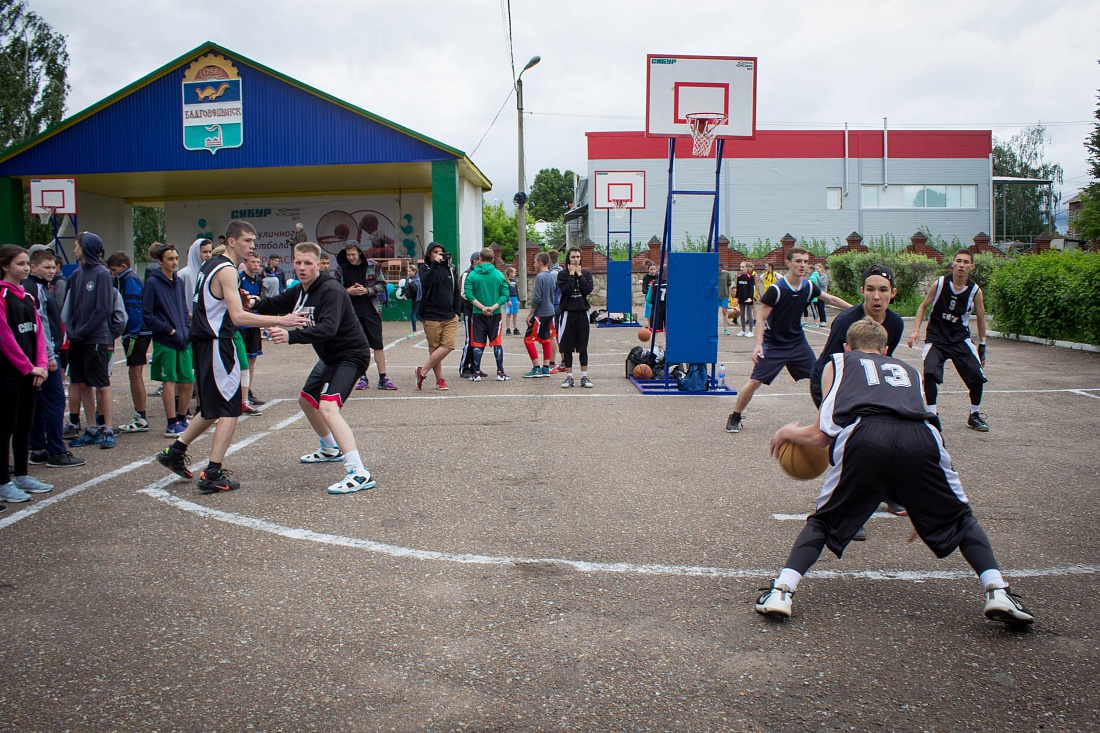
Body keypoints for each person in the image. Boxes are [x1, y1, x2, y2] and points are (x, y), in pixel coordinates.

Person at [754, 317, 1034, 626]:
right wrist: (922, 500)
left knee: (824, 521)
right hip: (923, 439)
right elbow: (919, 431)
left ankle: (781, 591)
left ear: (847, 347)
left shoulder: (839, 362)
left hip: (865, 434)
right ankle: (998, 591)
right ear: (886, 350)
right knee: (961, 518)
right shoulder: (909, 371)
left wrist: (788, 432)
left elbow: (824, 432)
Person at [155, 220, 307, 493]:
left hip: (206, 342)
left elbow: (219, 303)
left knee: (213, 407)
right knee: (230, 407)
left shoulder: (211, 265)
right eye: (247, 240)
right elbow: (237, 317)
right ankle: (212, 472)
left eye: (253, 240)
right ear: (231, 241)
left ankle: (174, 451)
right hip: (217, 343)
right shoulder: (226, 269)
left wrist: (238, 300)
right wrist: (282, 319)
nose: (252, 246)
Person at [250, 241, 377, 494]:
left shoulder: (330, 290)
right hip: (330, 357)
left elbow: (328, 328)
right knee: (307, 400)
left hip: (351, 356)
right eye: (298, 262)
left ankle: (359, 472)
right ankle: (330, 448)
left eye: (308, 263)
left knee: (328, 407)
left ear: (318, 264)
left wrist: (290, 336)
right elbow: (275, 304)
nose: (302, 267)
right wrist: (253, 302)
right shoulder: (300, 290)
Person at [809, 264, 907, 538]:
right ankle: (847, 510)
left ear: (893, 293)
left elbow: (882, 364)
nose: (877, 296)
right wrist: (831, 412)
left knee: (886, 438)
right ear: (862, 291)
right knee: (848, 445)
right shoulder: (845, 322)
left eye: (883, 290)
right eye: (871, 289)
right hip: (831, 384)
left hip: (867, 387)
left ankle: (888, 491)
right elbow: (831, 366)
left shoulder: (896, 324)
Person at [724, 247, 851, 434]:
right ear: (789, 263)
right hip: (774, 344)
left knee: (822, 376)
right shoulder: (777, 289)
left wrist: (858, 309)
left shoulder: (807, 287)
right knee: (754, 381)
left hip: (798, 343)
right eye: (799, 261)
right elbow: (761, 319)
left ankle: (833, 418)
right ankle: (735, 416)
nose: (803, 265)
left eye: (806, 262)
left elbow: (830, 299)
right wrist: (758, 344)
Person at [907, 248, 990, 432]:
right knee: (929, 371)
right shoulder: (940, 284)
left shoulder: (975, 291)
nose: (961, 265)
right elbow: (922, 307)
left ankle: (974, 414)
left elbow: (981, 319)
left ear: (971, 267)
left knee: (976, 375)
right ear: (952, 264)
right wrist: (916, 331)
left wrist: (982, 345)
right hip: (937, 337)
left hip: (960, 338)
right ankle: (932, 415)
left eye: (966, 262)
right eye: (958, 261)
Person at [0, 244, 53, 504]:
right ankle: (3, 482)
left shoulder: (27, 297)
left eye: (25, 263)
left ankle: (22, 474)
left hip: (32, 373)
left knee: (25, 426)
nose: (24, 268)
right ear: (5, 266)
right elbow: (5, 338)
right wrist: (26, 366)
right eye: (19, 263)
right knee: (6, 427)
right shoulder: (2, 295)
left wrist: (40, 364)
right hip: (9, 374)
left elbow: (39, 334)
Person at [25, 249, 84, 468]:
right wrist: (49, 355)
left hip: (40, 354)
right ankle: (56, 451)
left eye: (53, 267)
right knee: (55, 401)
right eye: (46, 267)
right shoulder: (35, 289)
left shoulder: (37, 288)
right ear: (33, 267)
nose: (51, 271)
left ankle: (38, 446)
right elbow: (41, 325)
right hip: (44, 356)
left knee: (40, 403)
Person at [64, 232, 117, 450]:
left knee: (101, 384)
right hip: (78, 338)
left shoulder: (102, 274)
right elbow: (72, 307)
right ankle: (92, 428)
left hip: (95, 338)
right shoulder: (76, 274)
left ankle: (108, 428)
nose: (75, 250)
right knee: (83, 383)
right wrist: (71, 330)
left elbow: (103, 309)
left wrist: (83, 330)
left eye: (77, 246)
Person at [143, 244, 195, 438]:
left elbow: (182, 308)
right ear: (160, 261)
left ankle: (182, 417)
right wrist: (169, 329)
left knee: (188, 380)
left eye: (176, 258)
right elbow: (147, 315)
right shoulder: (153, 283)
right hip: (165, 339)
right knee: (169, 380)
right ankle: (171, 422)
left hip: (183, 338)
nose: (174, 262)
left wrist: (186, 329)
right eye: (170, 259)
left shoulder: (179, 282)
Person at [336, 240, 396, 391]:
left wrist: (367, 290)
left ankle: (383, 377)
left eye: (353, 254)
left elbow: (382, 285)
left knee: (377, 344)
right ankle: (362, 377)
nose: (350, 257)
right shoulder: (341, 268)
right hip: (350, 312)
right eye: (348, 255)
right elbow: (335, 288)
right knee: (358, 346)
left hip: (371, 310)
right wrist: (348, 291)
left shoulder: (373, 265)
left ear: (360, 253)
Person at [107, 252, 151, 433]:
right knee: (134, 372)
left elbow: (133, 308)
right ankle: (140, 415)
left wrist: (132, 332)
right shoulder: (123, 279)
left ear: (123, 267)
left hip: (137, 332)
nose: (112, 273)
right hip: (137, 331)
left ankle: (141, 416)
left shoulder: (129, 279)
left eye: (114, 269)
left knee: (135, 372)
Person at [414, 242, 461, 391]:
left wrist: (457, 311)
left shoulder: (451, 269)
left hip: (449, 315)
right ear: (429, 254)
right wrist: (435, 264)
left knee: (448, 345)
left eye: (441, 252)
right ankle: (440, 380)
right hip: (431, 315)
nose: (439, 254)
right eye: (435, 252)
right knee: (434, 349)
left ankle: (423, 370)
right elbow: (425, 284)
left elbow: (455, 290)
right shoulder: (425, 269)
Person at [462, 248, 511, 381]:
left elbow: (468, 294)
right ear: (493, 259)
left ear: (480, 259)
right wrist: (493, 307)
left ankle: (476, 372)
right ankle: (500, 372)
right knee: (496, 342)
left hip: (478, 313)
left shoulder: (472, 275)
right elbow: (505, 294)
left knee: (477, 343)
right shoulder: (499, 275)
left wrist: (482, 307)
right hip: (495, 313)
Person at [556, 247, 594, 388]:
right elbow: (568, 290)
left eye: (578, 257)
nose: (576, 259)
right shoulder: (562, 275)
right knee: (567, 347)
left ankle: (584, 377)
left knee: (582, 346)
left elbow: (587, 290)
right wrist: (572, 275)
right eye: (573, 257)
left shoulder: (586, 273)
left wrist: (579, 275)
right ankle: (569, 377)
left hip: (582, 312)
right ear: (568, 259)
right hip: (568, 313)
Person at [522, 252, 557, 378]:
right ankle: (546, 367)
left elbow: (537, 298)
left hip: (541, 313)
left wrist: (530, 314)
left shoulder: (540, 277)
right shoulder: (552, 276)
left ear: (540, 263)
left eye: (535, 262)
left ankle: (536, 368)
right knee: (545, 339)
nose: (534, 264)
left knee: (528, 339)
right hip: (550, 311)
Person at [238, 253, 266, 407]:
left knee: (252, 359)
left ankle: (248, 390)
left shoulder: (259, 281)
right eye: (253, 262)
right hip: (242, 324)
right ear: (245, 262)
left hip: (254, 324)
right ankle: (238, 391)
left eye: (258, 262)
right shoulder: (239, 279)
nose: (256, 264)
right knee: (240, 360)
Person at [458, 251, 480, 379]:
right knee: (469, 340)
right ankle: (464, 367)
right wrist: (477, 302)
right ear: (475, 261)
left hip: (478, 311)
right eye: (480, 260)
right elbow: (463, 293)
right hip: (469, 310)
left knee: (478, 340)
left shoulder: (478, 274)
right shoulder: (467, 273)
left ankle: (475, 367)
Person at [177, 238, 212, 308]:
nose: (208, 255)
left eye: (210, 252)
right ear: (196, 253)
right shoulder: (183, 274)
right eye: (204, 252)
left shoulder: (210, 272)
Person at [547, 249, 564, 372]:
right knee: (558, 334)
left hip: (554, 305)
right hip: (560, 304)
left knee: (553, 335)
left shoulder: (552, 274)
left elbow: (551, 292)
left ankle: (552, 363)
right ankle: (564, 361)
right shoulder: (561, 271)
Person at [735, 261, 757, 337]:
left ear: (747, 268)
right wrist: (737, 298)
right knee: (742, 314)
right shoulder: (739, 277)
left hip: (749, 298)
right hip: (741, 297)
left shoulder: (750, 277)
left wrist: (750, 297)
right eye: (740, 267)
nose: (741, 268)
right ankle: (743, 330)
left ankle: (751, 331)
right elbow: (738, 288)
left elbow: (751, 288)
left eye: (743, 267)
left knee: (749, 314)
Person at [404, 263, 420, 338]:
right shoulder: (408, 279)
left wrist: (411, 283)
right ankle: (429, 328)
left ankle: (414, 332)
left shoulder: (417, 279)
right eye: (408, 271)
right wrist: (405, 295)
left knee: (413, 314)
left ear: (414, 271)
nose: (409, 273)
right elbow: (407, 289)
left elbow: (415, 290)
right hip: (413, 298)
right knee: (417, 315)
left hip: (418, 299)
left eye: (410, 271)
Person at [718, 263, 735, 336]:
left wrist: (729, 296)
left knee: (724, 312)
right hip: (716, 296)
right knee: (714, 312)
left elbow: (729, 285)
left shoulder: (727, 274)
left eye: (721, 267)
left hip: (724, 295)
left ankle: (726, 329)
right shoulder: (714, 273)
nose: (720, 269)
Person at [640, 261, 658, 328]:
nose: (653, 271)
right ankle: (650, 325)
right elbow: (643, 290)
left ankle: (656, 325)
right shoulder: (646, 278)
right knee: (649, 313)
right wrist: (650, 291)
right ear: (648, 270)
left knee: (657, 312)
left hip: (657, 298)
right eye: (651, 269)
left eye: (654, 269)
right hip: (649, 298)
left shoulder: (658, 277)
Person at [503, 266, 519, 335]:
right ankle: (508, 329)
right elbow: (505, 292)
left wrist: (518, 299)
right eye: (514, 273)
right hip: (509, 299)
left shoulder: (514, 281)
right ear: (510, 273)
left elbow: (516, 291)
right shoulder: (506, 281)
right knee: (509, 314)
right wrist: (508, 300)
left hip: (515, 298)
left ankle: (515, 328)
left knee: (515, 314)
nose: (515, 274)